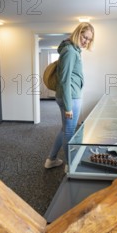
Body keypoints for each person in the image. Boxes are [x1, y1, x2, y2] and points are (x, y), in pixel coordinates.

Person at [44, 22, 95, 169]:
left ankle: (51, 159)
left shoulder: (73, 50)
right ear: (77, 33)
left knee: (64, 129)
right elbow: (65, 80)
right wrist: (68, 107)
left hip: (69, 96)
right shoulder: (70, 51)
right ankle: (71, 166)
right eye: (84, 37)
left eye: (89, 39)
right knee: (69, 132)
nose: (86, 41)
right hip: (70, 98)